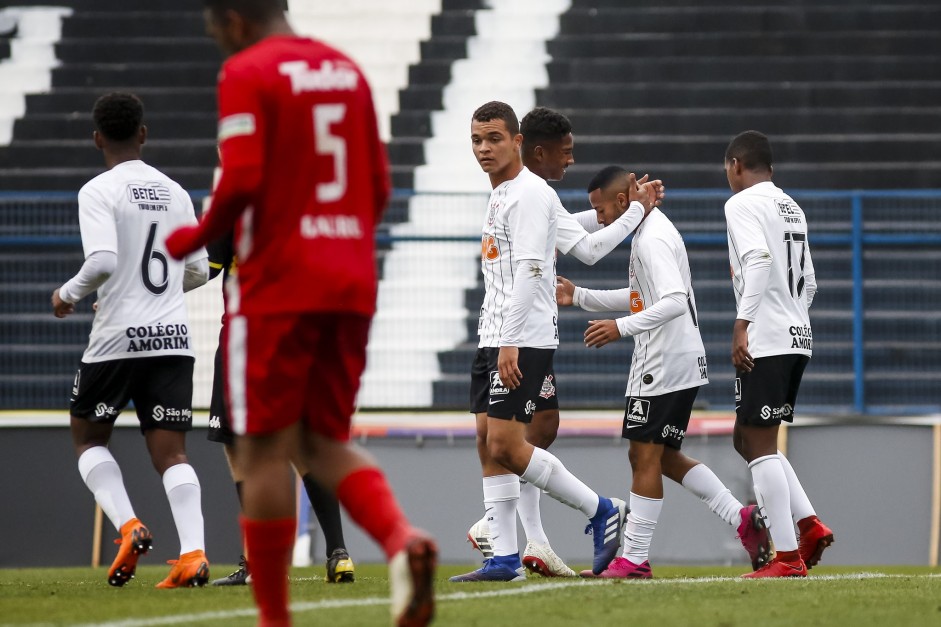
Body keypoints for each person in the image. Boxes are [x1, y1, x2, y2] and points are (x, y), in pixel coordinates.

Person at [165, 1, 436, 625]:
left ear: (234, 19)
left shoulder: (246, 72)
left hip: (279, 287)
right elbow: (381, 186)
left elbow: (241, 179)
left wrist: (192, 238)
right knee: (320, 440)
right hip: (351, 281)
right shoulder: (347, 70)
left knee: (260, 452)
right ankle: (401, 540)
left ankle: (275, 618)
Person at [450, 101, 658, 583]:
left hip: (518, 336)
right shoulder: (512, 193)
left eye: (494, 139)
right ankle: (503, 556)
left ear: (518, 142)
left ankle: (600, 508)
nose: (484, 149)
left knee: (506, 442)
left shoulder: (527, 194)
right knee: (489, 443)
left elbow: (532, 269)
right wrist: (624, 212)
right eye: (477, 140)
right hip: (495, 333)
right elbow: (578, 239)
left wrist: (508, 340)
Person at [557, 165, 771, 578]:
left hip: (661, 363)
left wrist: (619, 327)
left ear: (624, 202)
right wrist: (580, 296)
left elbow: (672, 300)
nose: (599, 220)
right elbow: (645, 296)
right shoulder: (654, 230)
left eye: (600, 210)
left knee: (643, 456)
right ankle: (742, 519)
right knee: (666, 457)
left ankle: (634, 557)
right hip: (681, 359)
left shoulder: (652, 238)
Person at [51, 92, 211, 588]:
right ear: (143, 134)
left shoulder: (98, 191)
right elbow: (199, 269)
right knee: (172, 454)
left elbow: (101, 260)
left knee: (87, 438)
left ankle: (129, 525)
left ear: (97, 138)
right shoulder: (176, 192)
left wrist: (67, 293)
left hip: (119, 339)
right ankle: (194, 554)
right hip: (172, 339)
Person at [204, 232, 355, 586]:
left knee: (240, 448)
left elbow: (201, 271)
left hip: (245, 339)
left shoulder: (237, 208)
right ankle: (339, 553)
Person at [723, 130, 834, 578]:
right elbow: (808, 280)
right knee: (746, 438)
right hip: (796, 334)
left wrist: (744, 323)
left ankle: (788, 557)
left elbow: (759, 260)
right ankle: (808, 525)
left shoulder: (741, 203)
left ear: (735, 166)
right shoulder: (792, 206)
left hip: (765, 338)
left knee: (759, 441)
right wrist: (791, 316)